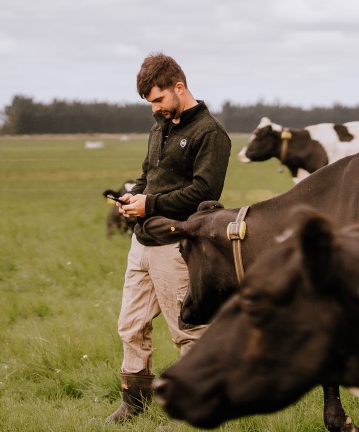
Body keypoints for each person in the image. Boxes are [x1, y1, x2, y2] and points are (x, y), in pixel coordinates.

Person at [106, 52, 232, 423]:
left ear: (179, 87)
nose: (155, 109)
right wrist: (132, 198)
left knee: (188, 332)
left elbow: (204, 192)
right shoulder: (159, 126)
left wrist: (150, 204)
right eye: (150, 103)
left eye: (159, 99)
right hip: (141, 243)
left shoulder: (210, 134)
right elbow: (148, 176)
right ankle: (133, 403)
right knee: (130, 325)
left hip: (178, 246)